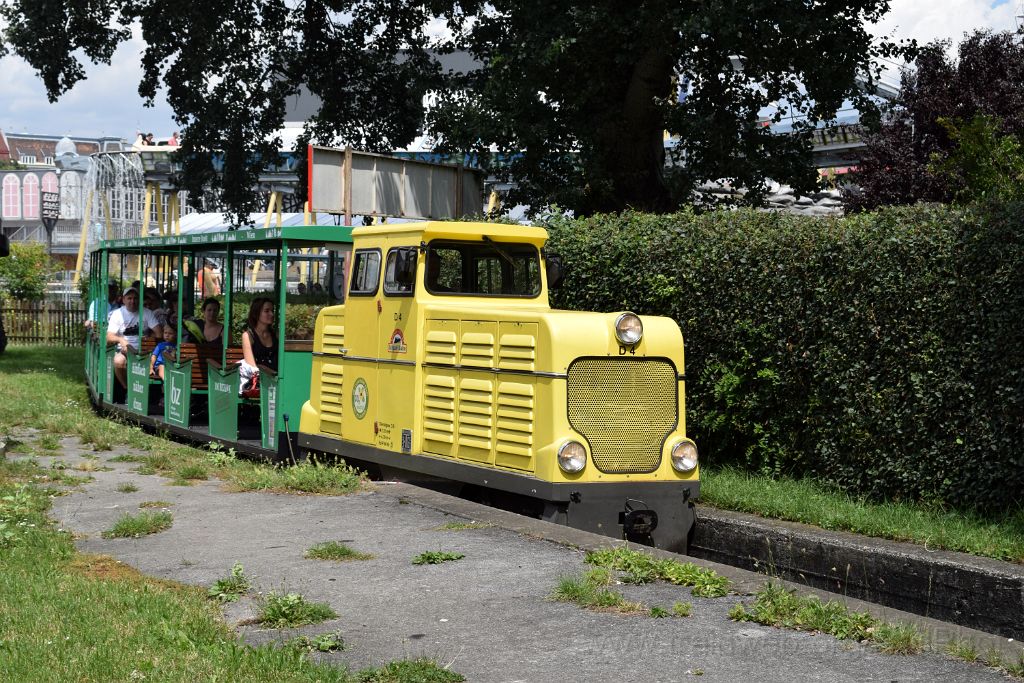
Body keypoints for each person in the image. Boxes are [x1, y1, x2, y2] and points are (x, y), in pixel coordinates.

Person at [107, 287, 162, 390]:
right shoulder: (117, 314)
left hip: (145, 351)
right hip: (125, 351)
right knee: (118, 361)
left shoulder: (147, 313)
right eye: (129, 298)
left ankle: (147, 391)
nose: (133, 301)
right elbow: (109, 336)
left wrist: (148, 341)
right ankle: (127, 388)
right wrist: (121, 340)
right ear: (123, 300)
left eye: (135, 298)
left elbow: (159, 333)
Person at [238, 297, 276, 395]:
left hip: (277, 379)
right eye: (266, 311)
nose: (271, 314)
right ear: (256, 314)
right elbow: (252, 366)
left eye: (272, 310)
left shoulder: (276, 335)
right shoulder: (248, 336)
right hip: (259, 382)